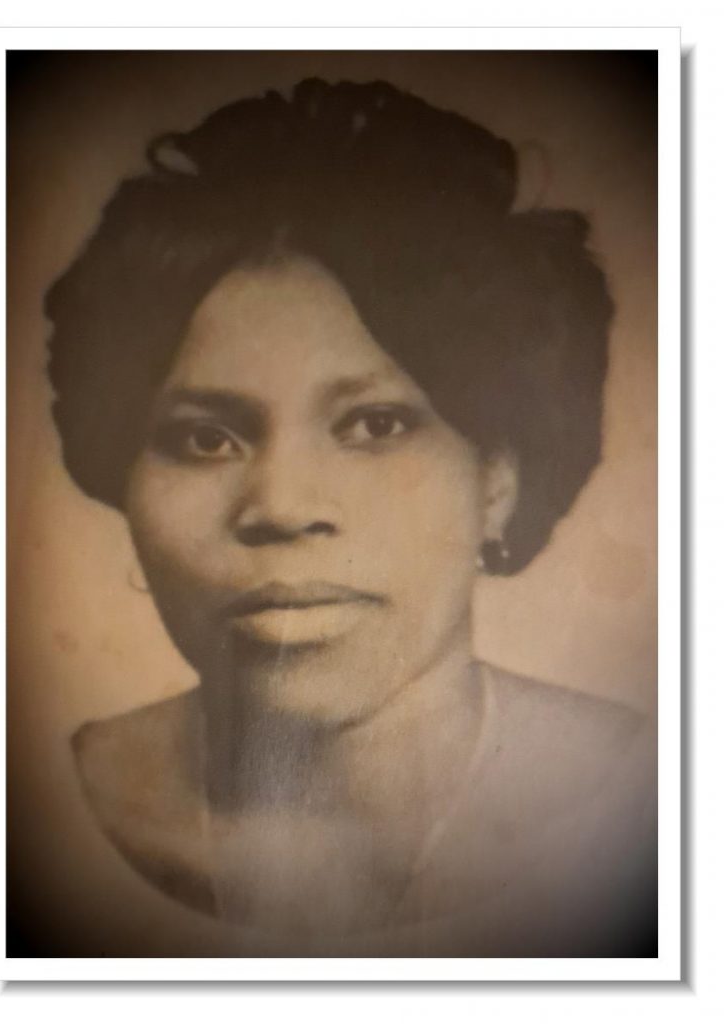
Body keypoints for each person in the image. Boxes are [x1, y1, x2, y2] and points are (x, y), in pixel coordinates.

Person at [44, 78, 656, 956]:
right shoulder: (23, 814)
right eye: (205, 439)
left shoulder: (656, 805)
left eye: (375, 425)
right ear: (124, 484)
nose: (282, 507)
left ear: (497, 481)